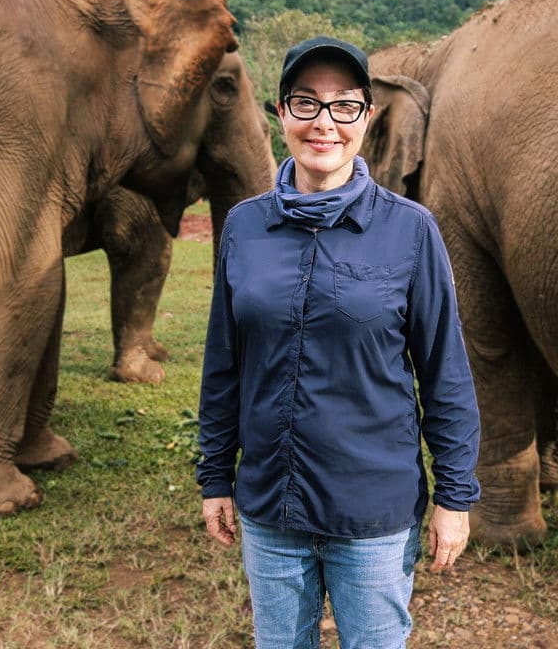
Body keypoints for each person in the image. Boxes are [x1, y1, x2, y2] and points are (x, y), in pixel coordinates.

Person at [196, 36, 481, 649]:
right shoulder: (245, 226)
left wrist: (455, 497)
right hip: (272, 507)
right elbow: (224, 366)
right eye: (306, 103)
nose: (324, 122)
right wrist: (215, 477)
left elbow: (445, 374)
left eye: (343, 106)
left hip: (372, 515)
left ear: (367, 119)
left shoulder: (410, 230)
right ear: (280, 115)